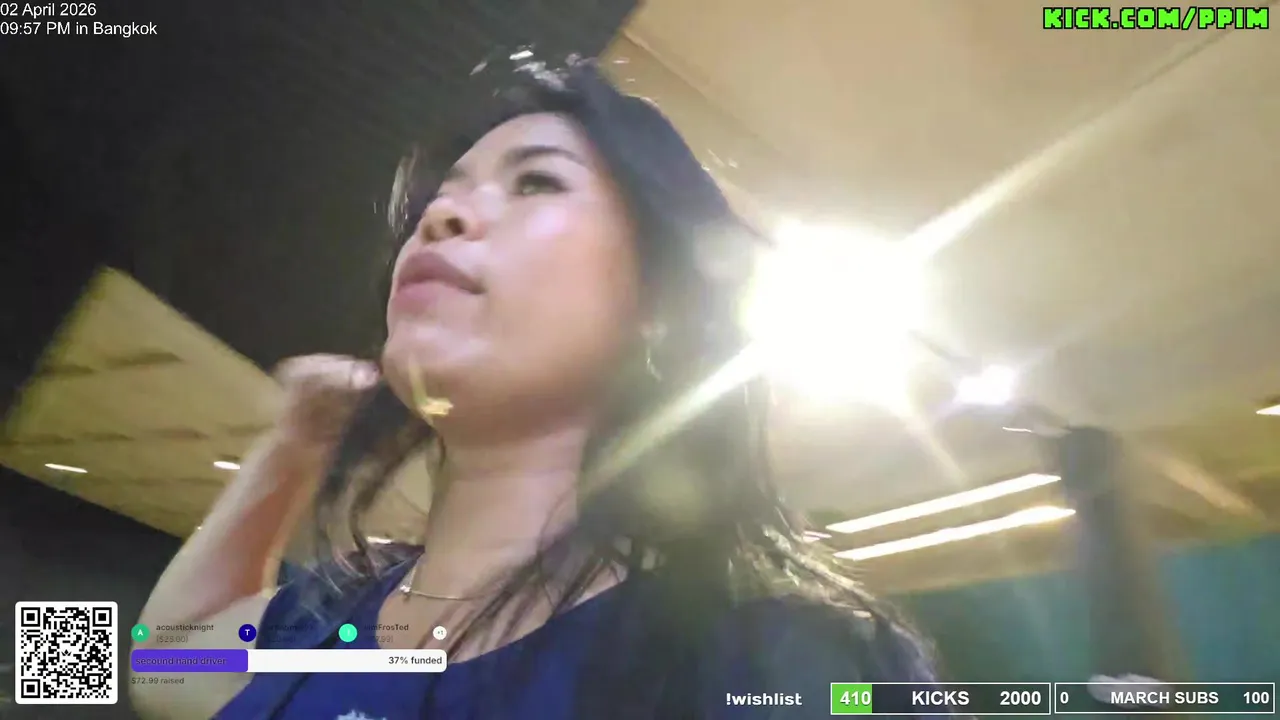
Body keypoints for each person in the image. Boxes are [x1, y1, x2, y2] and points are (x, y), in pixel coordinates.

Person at [131, 59, 940, 720]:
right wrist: (292, 445)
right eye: (441, 196)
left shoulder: (770, 660)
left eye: (536, 183)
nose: (442, 218)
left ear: (659, 305)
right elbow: (161, 663)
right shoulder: (330, 620)